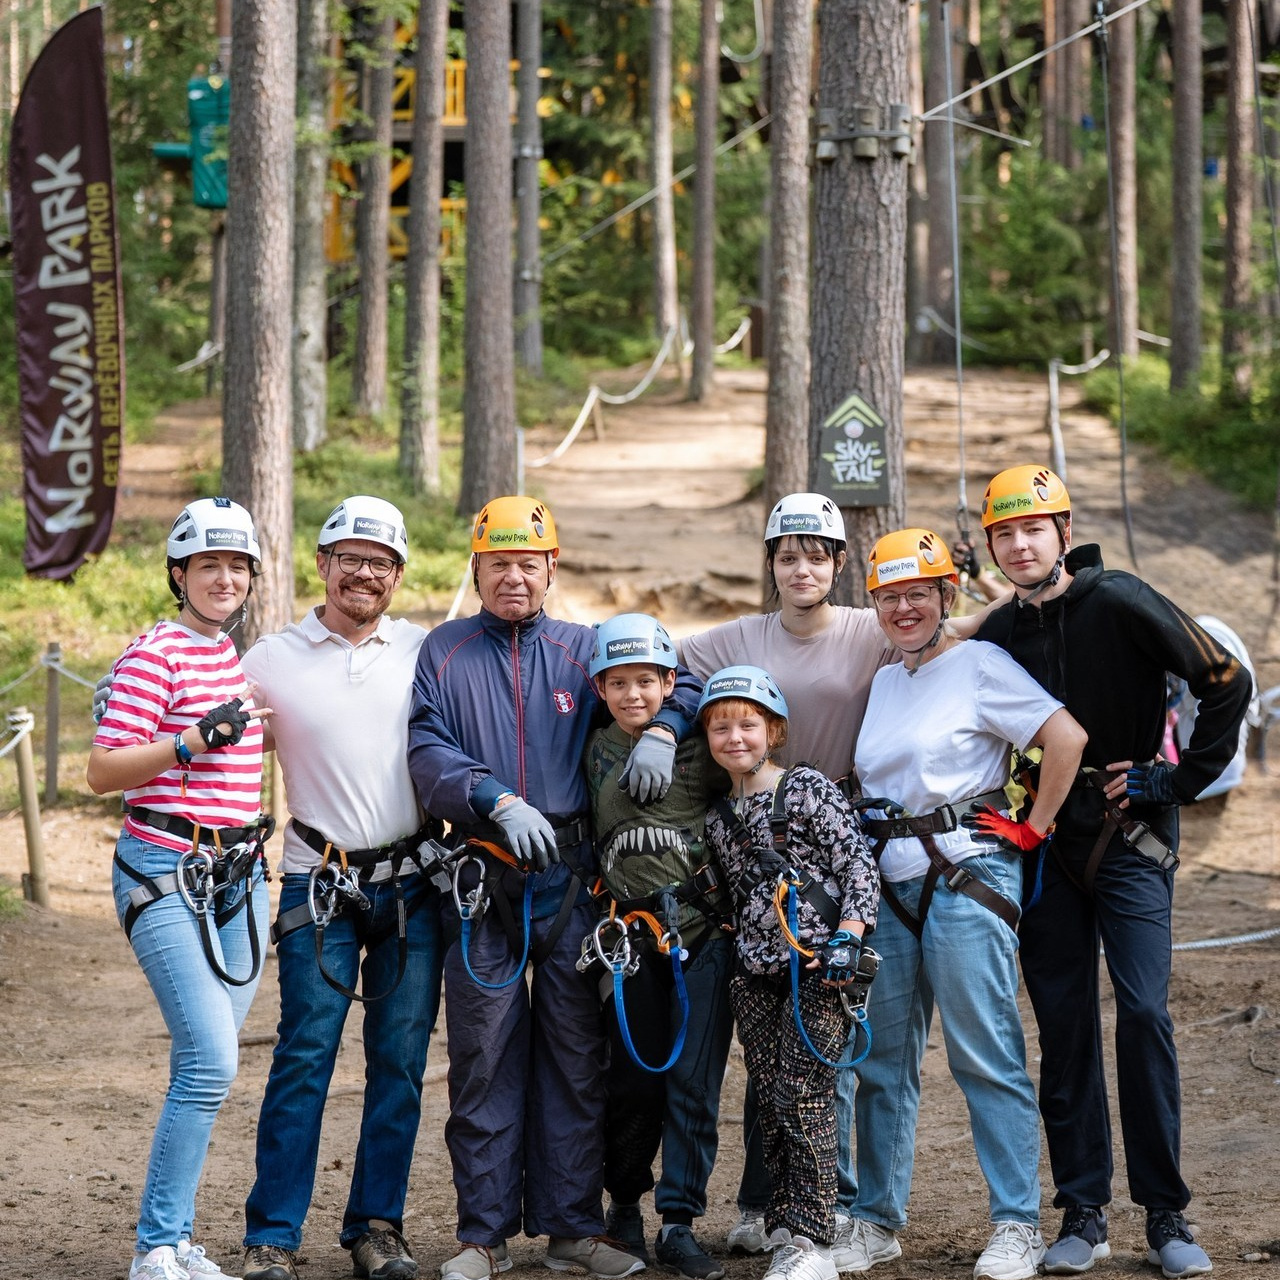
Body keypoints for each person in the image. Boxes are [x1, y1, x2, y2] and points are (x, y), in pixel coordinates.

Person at [677, 493, 999, 1261]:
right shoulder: (741, 636)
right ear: (771, 564)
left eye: (816, 555)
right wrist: (662, 728)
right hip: (754, 832)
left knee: (825, 1044)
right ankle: (769, 1202)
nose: (802, 567)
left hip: (841, 833)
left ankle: (835, 1214)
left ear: (839, 563)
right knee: (767, 1036)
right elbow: (666, 665)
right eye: (787, 555)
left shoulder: (868, 628)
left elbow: (945, 630)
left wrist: (1019, 596)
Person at [406, 497, 701, 1280]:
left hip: (573, 880)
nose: (512, 576)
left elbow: (681, 681)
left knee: (577, 1054)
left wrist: (668, 728)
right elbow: (426, 747)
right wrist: (490, 795)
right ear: (475, 568)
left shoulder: (584, 650)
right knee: (483, 1057)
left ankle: (573, 1227)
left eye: (527, 563)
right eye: (497, 563)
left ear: (551, 568)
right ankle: (485, 1234)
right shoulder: (443, 651)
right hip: (483, 877)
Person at [974, 466, 1251, 1280]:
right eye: (1005, 534)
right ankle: (1084, 1212)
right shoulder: (998, 635)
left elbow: (1223, 682)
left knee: (1143, 1013)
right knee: (1062, 1028)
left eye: (1034, 529)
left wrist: (1177, 779)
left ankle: (1165, 1215)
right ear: (991, 545)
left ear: (1064, 531)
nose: (1021, 544)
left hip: (1132, 841)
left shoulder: (1121, 598)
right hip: (1048, 848)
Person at [845, 528, 1086, 1280]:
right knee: (882, 1060)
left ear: (947, 595)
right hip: (893, 880)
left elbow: (1064, 737)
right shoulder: (886, 680)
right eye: (891, 597)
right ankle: (877, 1219)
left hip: (969, 873)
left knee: (984, 1053)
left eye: (920, 593)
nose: (905, 607)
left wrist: (1033, 827)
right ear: (877, 606)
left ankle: (1016, 1223)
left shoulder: (981, 664)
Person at [239, 497, 442, 1280]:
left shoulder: (427, 650)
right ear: (321, 563)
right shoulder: (269, 658)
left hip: (413, 880)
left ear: (397, 576)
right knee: (305, 1054)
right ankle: (272, 1234)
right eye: (350, 557)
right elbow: (215, 744)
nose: (365, 572)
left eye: (381, 561)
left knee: (399, 1061)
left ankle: (376, 1226)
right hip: (316, 883)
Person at [88, 497, 274, 1280]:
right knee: (209, 1062)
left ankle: (179, 1241)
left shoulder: (234, 656)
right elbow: (102, 772)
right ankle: (154, 1248)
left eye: (238, 566)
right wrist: (192, 741)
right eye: (208, 565)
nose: (224, 578)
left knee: (208, 1066)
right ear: (179, 574)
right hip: (165, 873)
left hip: (239, 880)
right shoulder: (157, 654)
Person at [699, 665, 879, 1280]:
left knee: (805, 1095)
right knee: (774, 1100)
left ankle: (812, 1240)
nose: (735, 738)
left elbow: (858, 866)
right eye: (720, 727)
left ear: (773, 731)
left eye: (748, 724)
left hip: (819, 972)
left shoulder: (806, 789)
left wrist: (848, 941)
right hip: (755, 977)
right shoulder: (719, 819)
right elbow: (733, 901)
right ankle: (786, 1216)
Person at [583, 614, 734, 1280]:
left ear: (669, 683)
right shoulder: (591, 749)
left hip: (699, 934)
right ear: (600, 688)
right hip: (627, 938)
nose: (633, 695)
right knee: (632, 1081)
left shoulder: (700, 746)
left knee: (693, 1084)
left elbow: (714, 697)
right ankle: (624, 1209)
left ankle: (680, 1220)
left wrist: (673, 726)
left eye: (647, 681)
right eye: (619, 683)